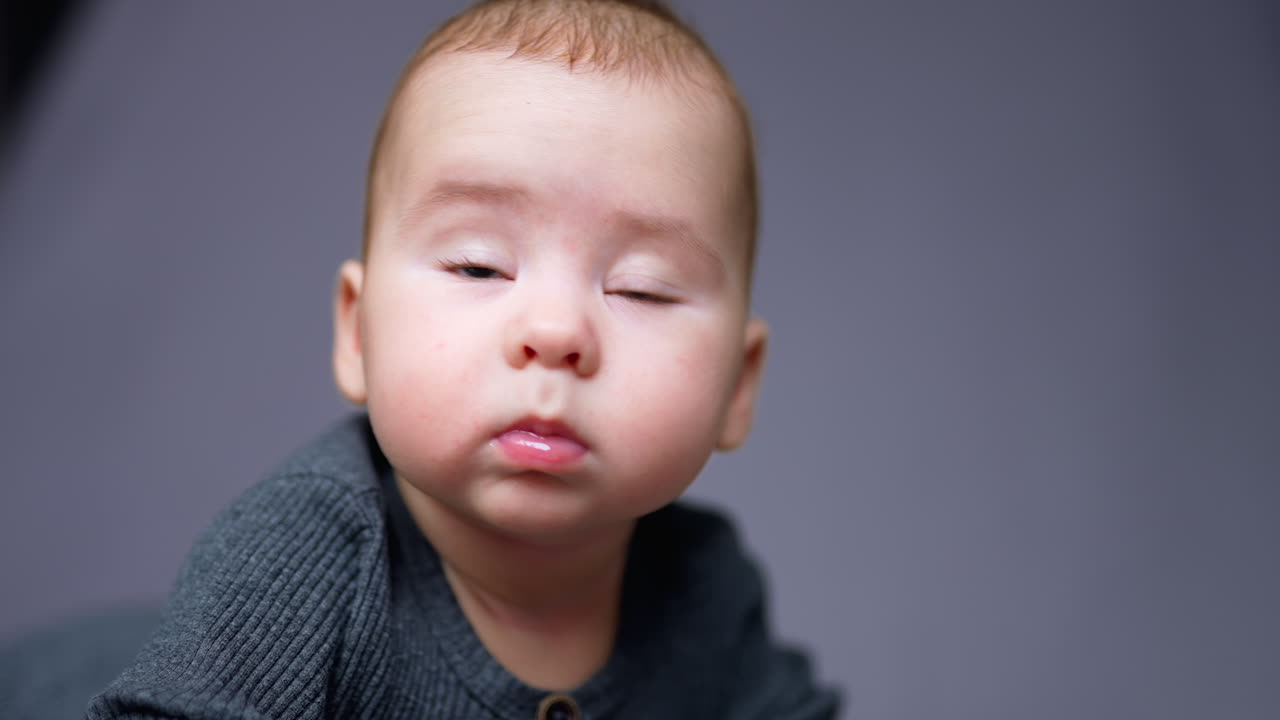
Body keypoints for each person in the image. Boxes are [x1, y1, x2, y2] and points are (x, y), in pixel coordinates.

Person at [87, 1, 839, 717]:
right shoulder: (301, 558)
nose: (554, 331)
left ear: (739, 387)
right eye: (479, 267)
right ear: (358, 333)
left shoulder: (703, 586)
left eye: (640, 289)